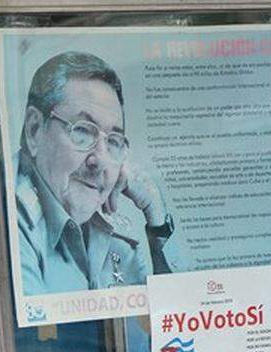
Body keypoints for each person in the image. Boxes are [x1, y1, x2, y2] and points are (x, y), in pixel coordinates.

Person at [16, 51, 183, 296]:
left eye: (113, 141)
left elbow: (179, 314)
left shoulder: (113, 228)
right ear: (34, 130)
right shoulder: (7, 217)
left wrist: (156, 216)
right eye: (83, 131)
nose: (100, 160)